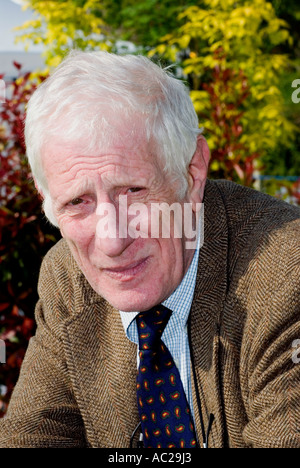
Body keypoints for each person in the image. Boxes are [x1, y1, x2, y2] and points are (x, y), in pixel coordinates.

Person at [0, 51, 299, 449]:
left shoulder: (288, 274)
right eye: (77, 202)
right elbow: (34, 435)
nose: (111, 241)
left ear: (192, 174)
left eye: (133, 192)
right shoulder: (67, 278)